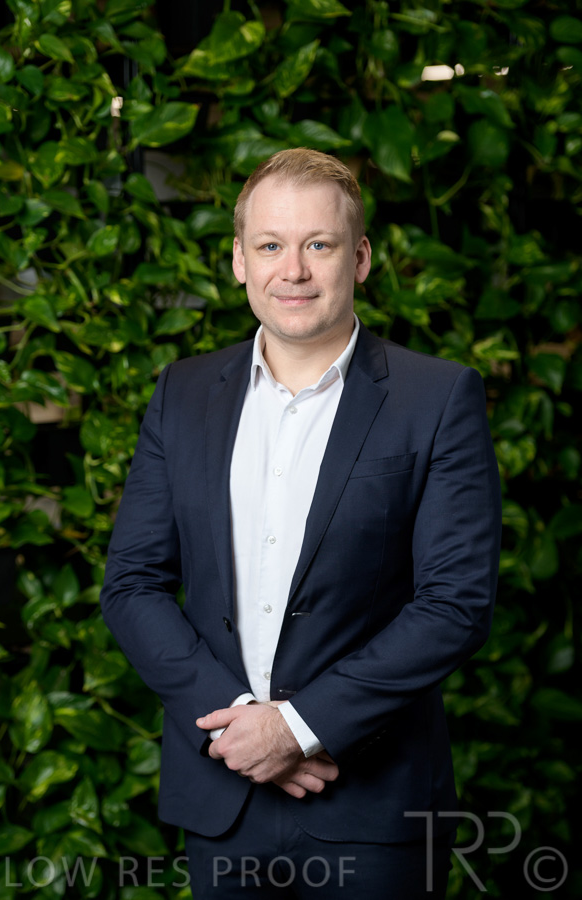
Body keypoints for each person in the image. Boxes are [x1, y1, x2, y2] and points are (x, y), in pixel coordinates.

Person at [100, 148, 502, 898]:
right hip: (221, 798)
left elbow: (455, 604)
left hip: (373, 808)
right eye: (270, 246)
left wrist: (297, 727)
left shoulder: (437, 398)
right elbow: (132, 583)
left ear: (361, 258)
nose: (293, 271)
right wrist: (240, 727)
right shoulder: (182, 393)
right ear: (238, 261)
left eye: (318, 244)